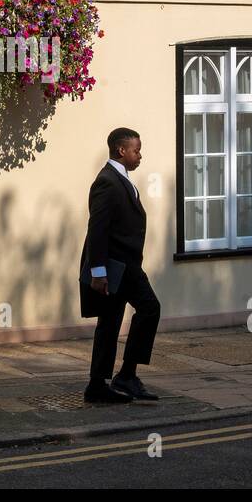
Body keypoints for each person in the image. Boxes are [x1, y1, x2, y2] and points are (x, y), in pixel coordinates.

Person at [78, 127, 161, 403]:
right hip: (118, 267)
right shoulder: (107, 181)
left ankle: (102, 383)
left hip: (125, 266)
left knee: (111, 322)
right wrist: (98, 272)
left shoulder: (120, 178)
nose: (140, 155)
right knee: (147, 309)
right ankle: (120, 377)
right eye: (136, 150)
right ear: (121, 150)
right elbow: (98, 229)